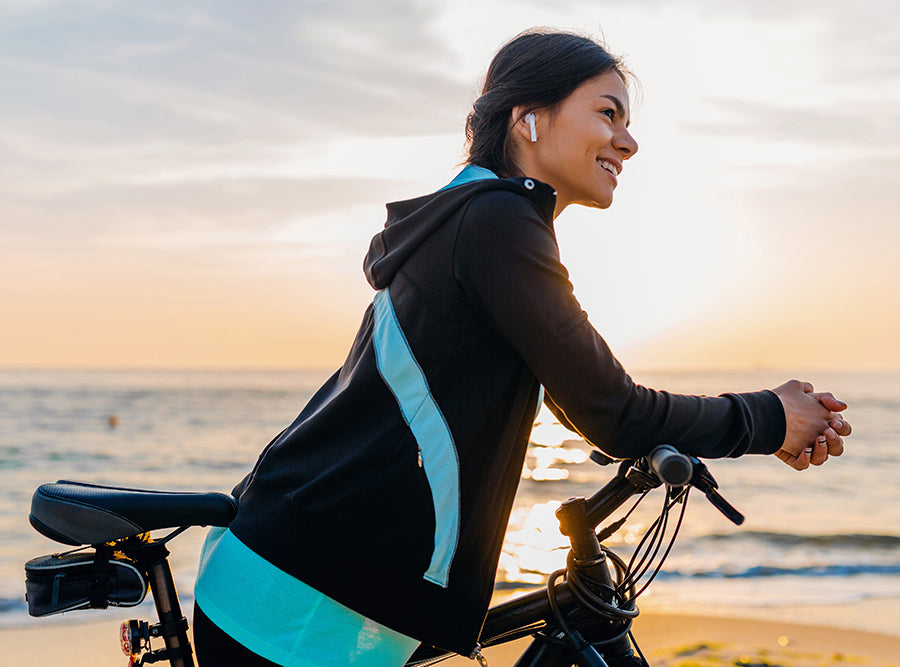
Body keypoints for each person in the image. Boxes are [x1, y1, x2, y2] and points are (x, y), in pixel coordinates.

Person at [191, 29, 851, 666]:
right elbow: (612, 411)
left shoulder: (475, 216)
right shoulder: (496, 220)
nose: (630, 141)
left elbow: (572, 393)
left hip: (296, 565)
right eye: (607, 112)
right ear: (528, 117)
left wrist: (716, 430)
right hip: (308, 601)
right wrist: (767, 417)